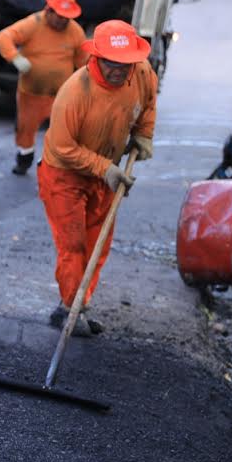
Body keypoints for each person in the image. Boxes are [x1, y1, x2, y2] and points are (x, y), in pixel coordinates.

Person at [37, 20, 157, 337]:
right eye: (111, 62)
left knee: (97, 244)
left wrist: (144, 135)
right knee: (73, 246)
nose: (119, 69)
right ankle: (70, 309)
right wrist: (105, 168)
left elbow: (147, 103)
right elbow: (63, 148)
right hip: (64, 176)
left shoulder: (141, 72)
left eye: (125, 63)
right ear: (97, 57)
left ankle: (78, 305)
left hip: (105, 176)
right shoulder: (76, 92)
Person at [0, 0, 89, 175]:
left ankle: (54, 164)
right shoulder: (33, 23)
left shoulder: (75, 31)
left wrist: (84, 85)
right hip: (31, 93)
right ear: (49, 11)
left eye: (67, 17)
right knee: (25, 129)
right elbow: (3, 37)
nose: (63, 20)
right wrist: (15, 58)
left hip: (60, 95)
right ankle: (24, 159)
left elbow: (82, 61)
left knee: (64, 132)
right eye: (60, 16)